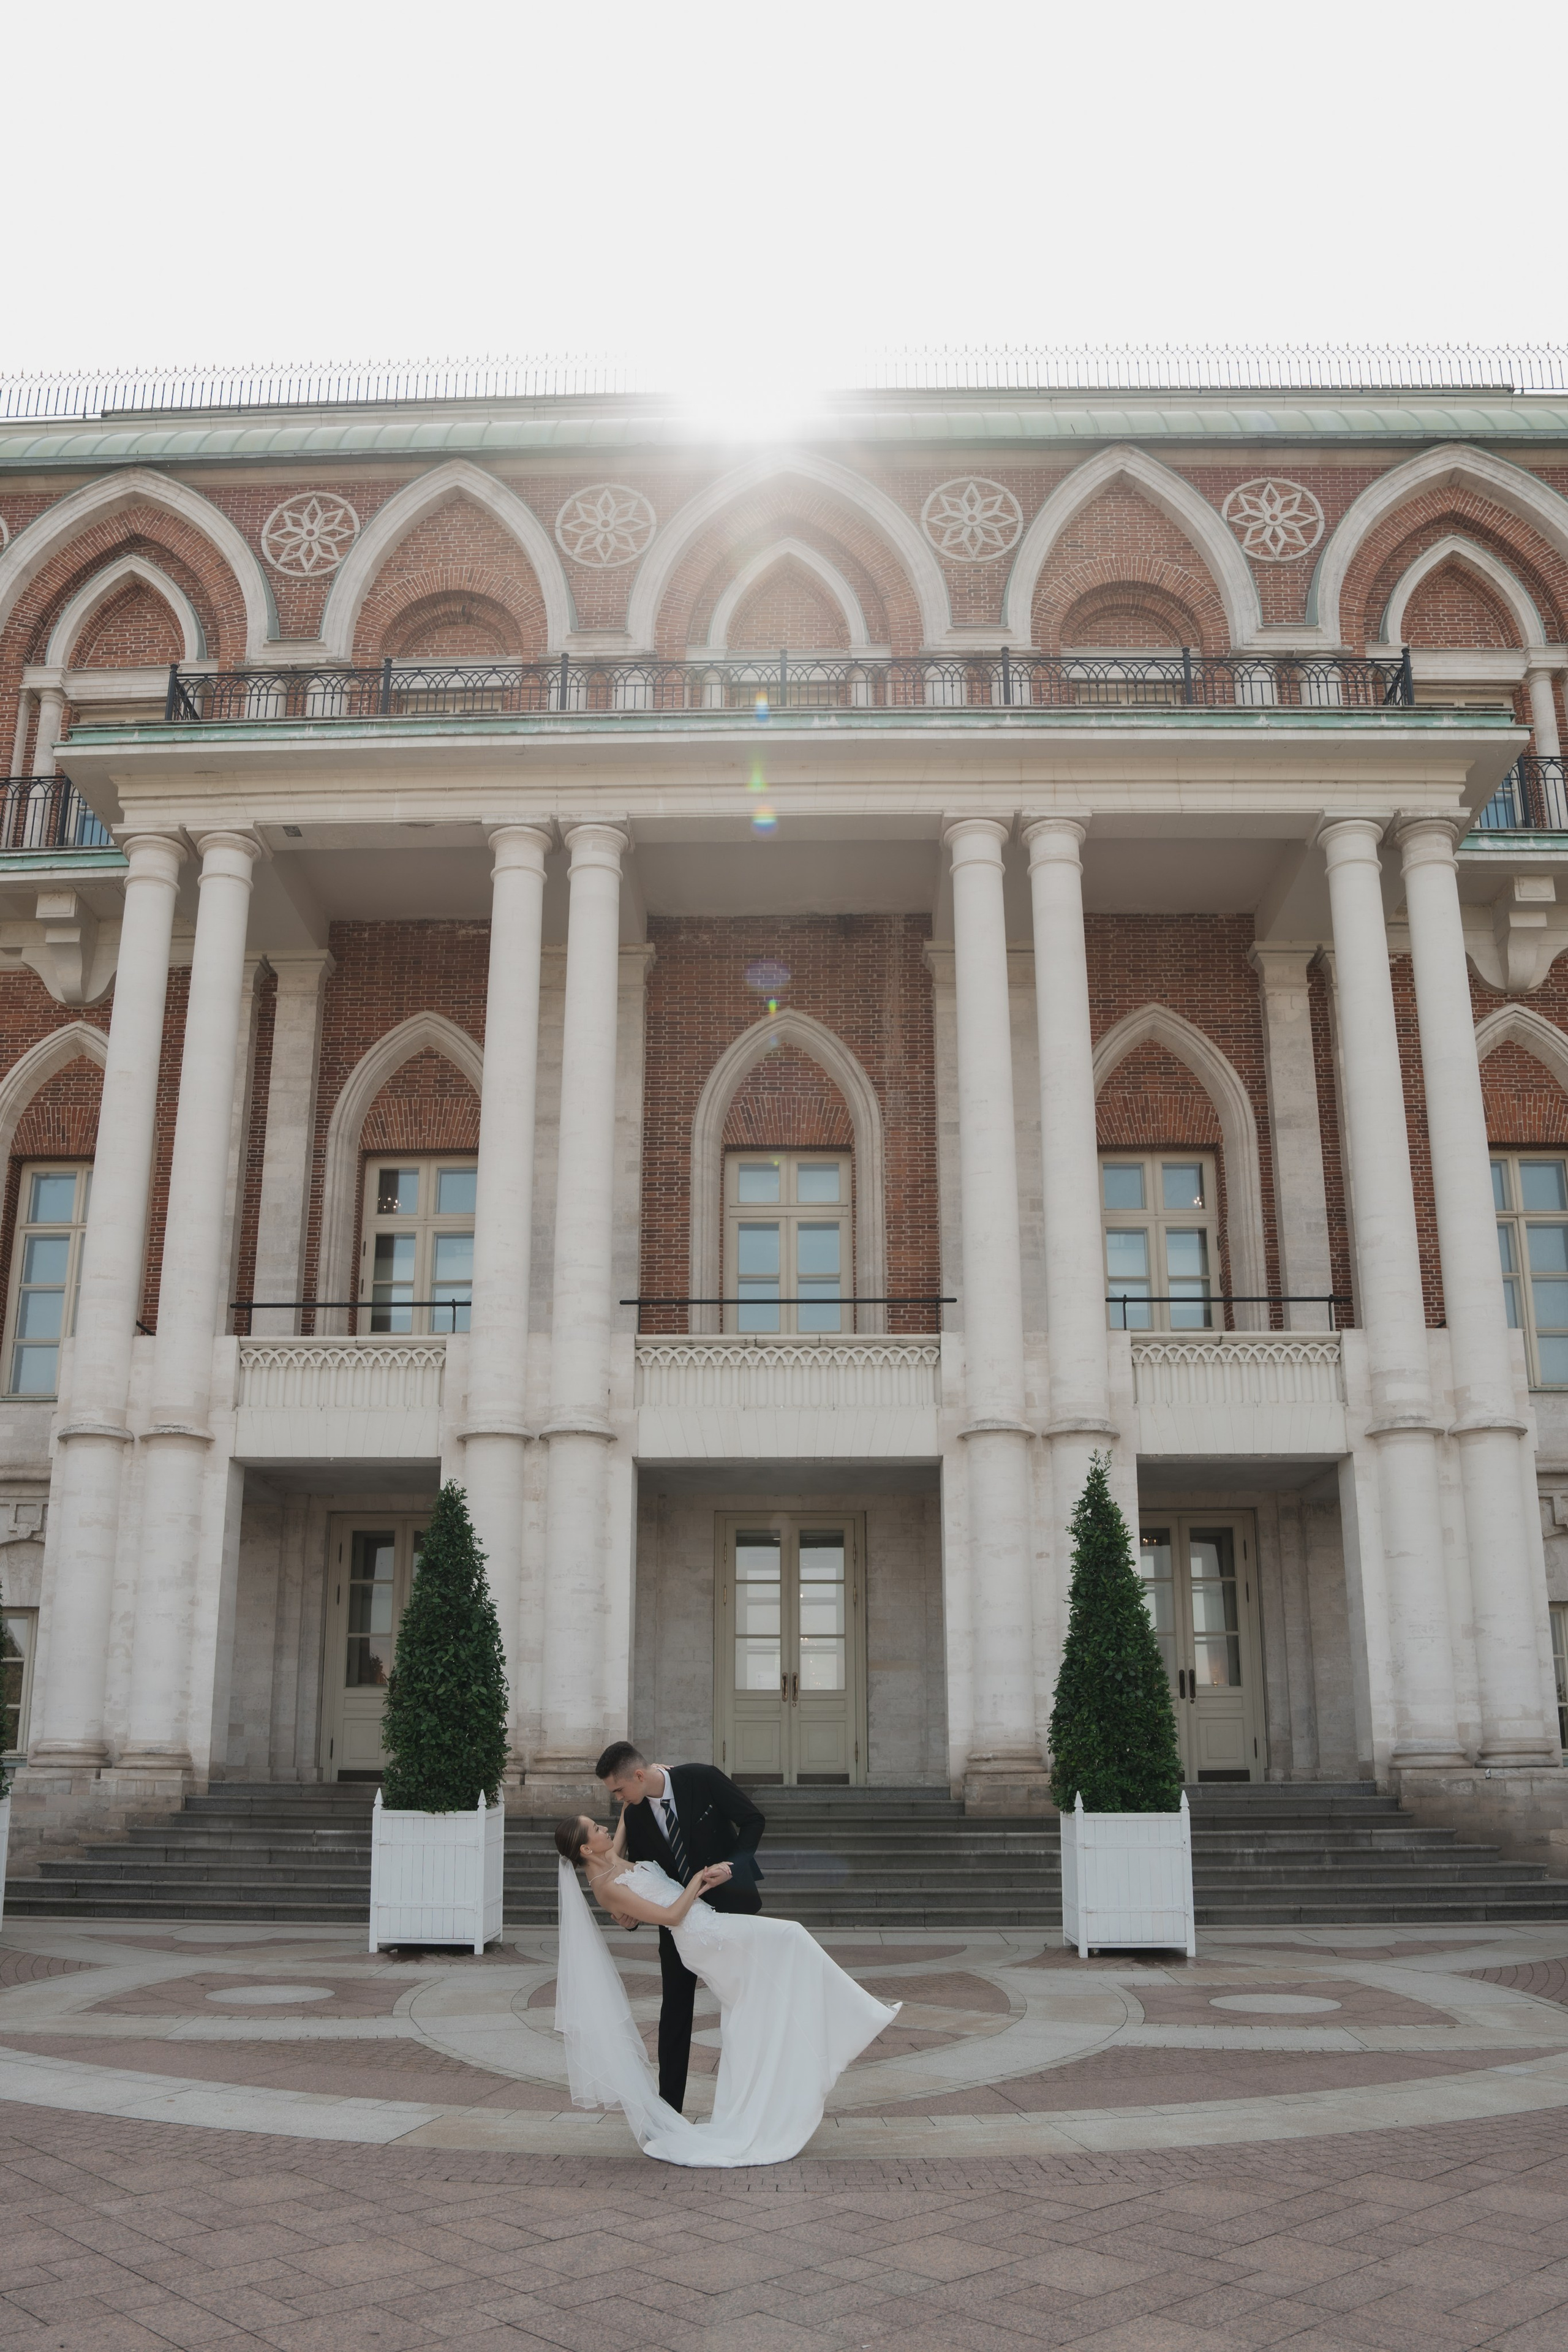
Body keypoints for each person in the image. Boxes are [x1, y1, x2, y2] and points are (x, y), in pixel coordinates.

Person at [553, 1811, 898, 2167]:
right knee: (792, 1934)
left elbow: (619, 1833)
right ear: (585, 1848)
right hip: (702, 1937)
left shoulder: (609, 1859)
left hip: (711, 1924)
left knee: (753, 2009)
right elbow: (671, 1917)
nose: (604, 1828)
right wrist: (698, 1880)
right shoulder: (607, 1888)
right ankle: (859, 2016)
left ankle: (760, 2100)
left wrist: (630, 1804)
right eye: (596, 1828)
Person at [594, 1741, 765, 2113]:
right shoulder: (637, 1816)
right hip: (679, 1923)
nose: (618, 1798)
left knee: (747, 2006)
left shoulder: (701, 1778)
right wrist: (630, 1916)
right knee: (674, 2010)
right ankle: (668, 2111)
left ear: (639, 1775)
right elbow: (646, 1879)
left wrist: (732, 1865)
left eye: (619, 1790)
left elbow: (753, 1819)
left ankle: (755, 2103)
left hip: (732, 1908)